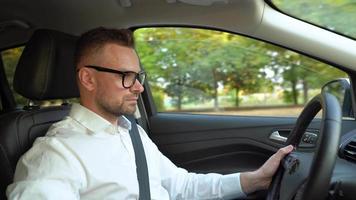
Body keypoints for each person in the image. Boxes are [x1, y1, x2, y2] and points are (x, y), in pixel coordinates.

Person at [7, 27, 293, 199]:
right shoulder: (55, 155)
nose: (139, 88)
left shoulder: (131, 132)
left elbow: (181, 186)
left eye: (138, 76)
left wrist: (253, 180)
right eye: (126, 76)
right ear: (88, 79)